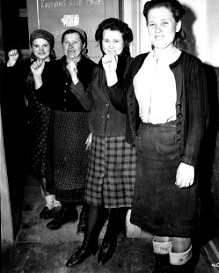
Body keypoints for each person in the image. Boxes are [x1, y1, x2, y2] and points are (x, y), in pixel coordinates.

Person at [105, 0, 209, 273]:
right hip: (147, 148)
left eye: (165, 23)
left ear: (177, 25)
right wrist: (111, 74)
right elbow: (122, 103)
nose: (158, 29)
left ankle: (178, 268)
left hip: (177, 148)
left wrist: (190, 160)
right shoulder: (138, 62)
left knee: (180, 220)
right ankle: (161, 265)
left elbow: (199, 117)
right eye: (152, 24)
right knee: (155, 217)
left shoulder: (191, 66)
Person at [66, 18, 136, 268]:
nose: (111, 45)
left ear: (125, 42)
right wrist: (74, 78)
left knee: (117, 196)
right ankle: (88, 244)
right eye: (106, 40)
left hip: (122, 140)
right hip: (99, 139)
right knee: (94, 196)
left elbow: (125, 106)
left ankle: (109, 240)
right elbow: (90, 105)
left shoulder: (132, 67)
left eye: (116, 40)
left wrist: (112, 73)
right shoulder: (97, 69)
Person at [31, 28, 96, 231]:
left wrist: (94, 130)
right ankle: (68, 212)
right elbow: (45, 98)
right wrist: (38, 77)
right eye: (66, 42)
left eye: (75, 42)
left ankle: (86, 213)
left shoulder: (92, 68)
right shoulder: (53, 67)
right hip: (59, 124)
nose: (70, 47)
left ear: (83, 45)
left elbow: (96, 103)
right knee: (62, 171)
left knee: (83, 169)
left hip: (82, 124)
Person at [6, 29, 61, 219]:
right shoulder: (24, 67)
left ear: (51, 47)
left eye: (45, 45)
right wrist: (11, 65)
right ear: (31, 47)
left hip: (55, 120)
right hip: (35, 123)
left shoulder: (58, 67)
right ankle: (49, 202)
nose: (41, 49)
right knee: (39, 165)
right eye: (36, 45)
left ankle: (59, 203)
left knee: (55, 163)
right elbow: (10, 87)